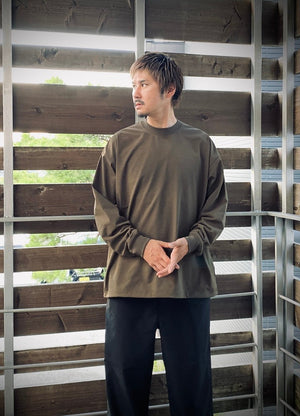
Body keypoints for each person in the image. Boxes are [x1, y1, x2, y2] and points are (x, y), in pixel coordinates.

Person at [92, 52, 228, 416]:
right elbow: (104, 211)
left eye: (144, 84)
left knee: (192, 391)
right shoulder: (119, 144)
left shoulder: (201, 145)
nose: (135, 93)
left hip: (187, 285)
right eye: (133, 85)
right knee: (124, 389)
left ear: (169, 90)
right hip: (128, 286)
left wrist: (188, 243)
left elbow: (215, 213)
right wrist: (142, 245)